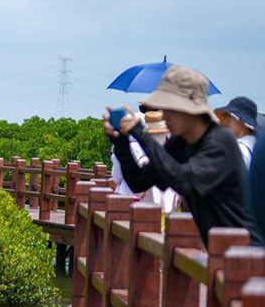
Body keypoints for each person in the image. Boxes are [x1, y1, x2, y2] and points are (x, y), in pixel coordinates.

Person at [104, 64, 262, 246]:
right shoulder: (180, 143)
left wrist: (142, 135)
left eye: (169, 109)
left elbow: (183, 181)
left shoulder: (219, 142)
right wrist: (121, 143)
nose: (163, 116)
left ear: (190, 110)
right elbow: (139, 182)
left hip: (247, 252)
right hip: (221, 250)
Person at [109, 111, 180, 214]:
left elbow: (117, 177)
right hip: (170, 211)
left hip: (140, 209)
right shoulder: (175, 153)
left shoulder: (134, 148)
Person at [215, 96, 258, 168]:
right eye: (226, 116)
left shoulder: (239, 149)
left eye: (231, 117)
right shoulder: (255, 146)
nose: (226, 121)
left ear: (243, 121)